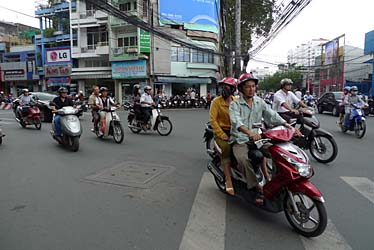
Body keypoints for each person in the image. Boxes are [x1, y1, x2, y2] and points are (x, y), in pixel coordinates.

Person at [230, 73, 292, 205]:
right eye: (247, 87)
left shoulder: (260, 102)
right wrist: (249, 133)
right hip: (240, 139)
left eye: (253, 86)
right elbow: (237, 122)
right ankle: (256, 187)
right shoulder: (235, 104)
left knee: (278, 152)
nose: (251, 89)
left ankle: (276, 180)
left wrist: (287, 125)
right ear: (241, 89)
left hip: (258, 138)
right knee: (243, 160)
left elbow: (272, 115)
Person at [209, 77, 237, 195]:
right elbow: (213, 120)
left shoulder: (237, 101)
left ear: (232, 89)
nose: (224, 90)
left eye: (226, 87)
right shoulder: (216, 102)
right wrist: (222, 134)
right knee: (226, 148)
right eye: (222, 87)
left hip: (236, 132)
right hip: (222, 133)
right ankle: (229, 180)